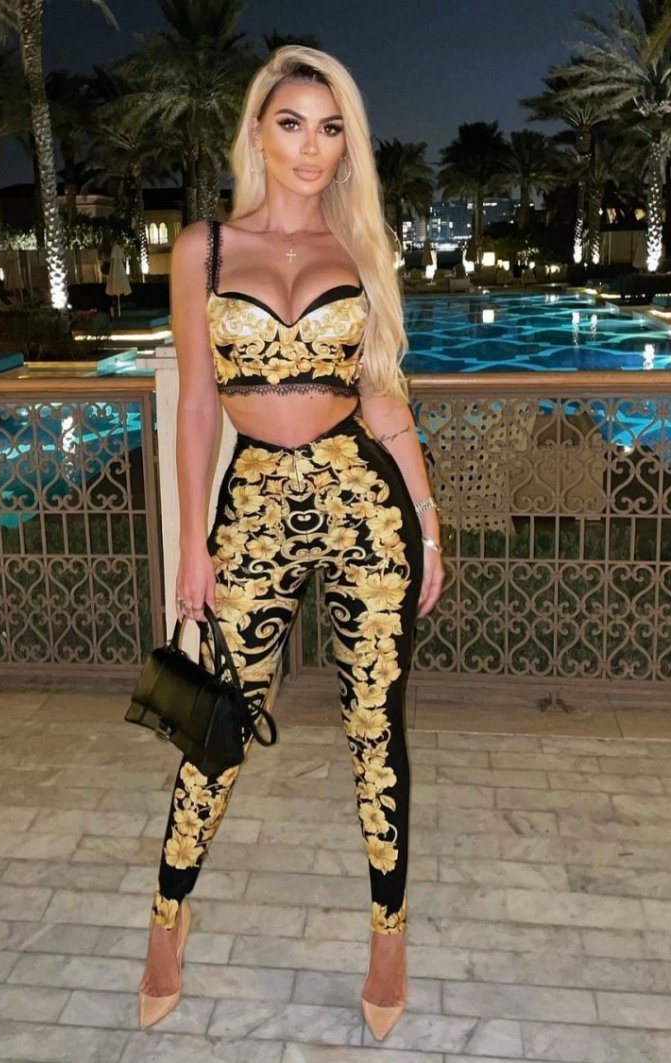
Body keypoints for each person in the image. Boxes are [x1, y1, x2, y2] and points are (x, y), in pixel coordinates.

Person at [139, 45, 444, 1042]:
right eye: (292, 123)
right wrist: (191, 543)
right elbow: (196, 405)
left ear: (346, 143)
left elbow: (381, 394)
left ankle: (388, 933)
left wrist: (427, 518)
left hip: (365, 506)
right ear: (258, 133)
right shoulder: (202, 249)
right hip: (254, 506)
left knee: (375, 727)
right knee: (216, 725)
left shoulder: (359, 247)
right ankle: (167, 917)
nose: (312, 147)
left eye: (331, 127)